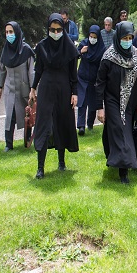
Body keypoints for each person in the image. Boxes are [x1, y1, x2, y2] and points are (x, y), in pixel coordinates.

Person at [29, 13, 80, 178]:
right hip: (46, 89)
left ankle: (61, 162)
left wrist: (75, 93)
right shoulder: (42, 46)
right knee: (43, 125)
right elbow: (38, 70)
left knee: (62, 123)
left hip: (64, 90)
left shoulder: (70, 47)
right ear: (48, 29)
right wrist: (33, 88)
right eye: (52, 30)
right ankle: (40, 168)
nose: (56, 33)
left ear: (63, 29)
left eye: (59, 30)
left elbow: (73, 74)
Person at [95, 21, 137, 184]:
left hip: (130, 101)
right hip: (112, 99)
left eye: (130, 38)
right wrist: (100, 108)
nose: (128, 41)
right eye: (125, 38)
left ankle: (113, 156)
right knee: (120, 129)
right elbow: (100, 83)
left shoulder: (135, 54)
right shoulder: (108, 57)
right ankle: (124, 171)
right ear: (118, 37)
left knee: (122, 130)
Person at [0, 21, 35, 151]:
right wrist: (0, 87)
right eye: (7, 32)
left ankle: (27, 140)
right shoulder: (5, 50)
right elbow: (2, 70)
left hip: (24, 88)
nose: (9, 35)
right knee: (10, 116)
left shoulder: (26, 50)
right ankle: (8, 144)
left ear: (17, 32)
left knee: (27, 115)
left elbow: (31, 71)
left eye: (11, 32)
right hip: (10, 89)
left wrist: (32, 89)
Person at [77, 24, 105, 135]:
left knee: (92, 104)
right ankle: (81, 126)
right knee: (82, 102)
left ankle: (90, 124)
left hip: (94, 80)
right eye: (91, 36)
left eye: (94, 37)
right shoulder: (84, 44)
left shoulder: (101, 48)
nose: (92, 39)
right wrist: (81, 52)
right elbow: (75, 55)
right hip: (82, 78)